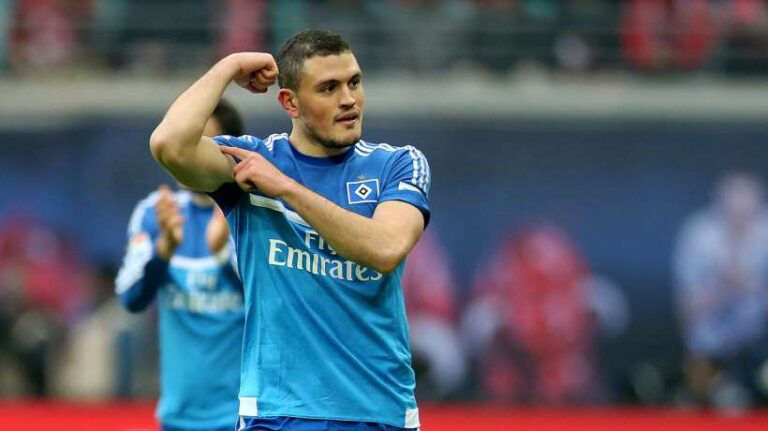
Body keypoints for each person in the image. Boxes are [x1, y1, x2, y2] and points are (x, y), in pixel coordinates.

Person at [149, 29, 430, 431]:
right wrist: (228, 66)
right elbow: (169, 145)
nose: (348, 99)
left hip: (378, 411)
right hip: (276, 412)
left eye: (354, 82)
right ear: (290, 102)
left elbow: (386, 248)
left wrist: (284, 187)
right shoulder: (252, 160)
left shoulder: (398, 164)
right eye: (329, 88)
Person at [115, 99, 245, 431]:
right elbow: (131, 298)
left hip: (245, 419)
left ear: (228, 152)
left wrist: (223, 254)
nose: (184, 152)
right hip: (178, 419)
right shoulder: (156, 213)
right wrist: (164, 249)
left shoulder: (253, 214)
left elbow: (276, 302)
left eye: (198, 141)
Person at [673, 171, 768, 408]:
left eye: (747, 211)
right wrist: (722, 287)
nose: (739, 217)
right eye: (733, 209)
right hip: (709, 349)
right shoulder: (699, 236)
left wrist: (748, 284)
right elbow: (687, 310)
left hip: (759, 347)